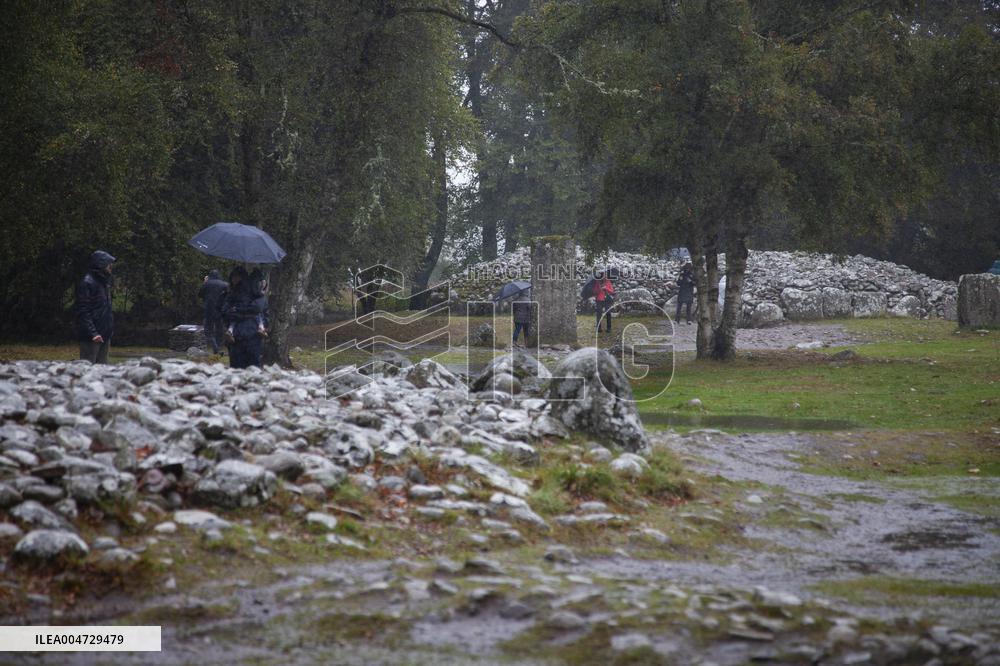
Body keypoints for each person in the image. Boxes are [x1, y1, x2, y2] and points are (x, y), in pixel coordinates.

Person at [221, 267, 267, 369]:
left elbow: (226, 311)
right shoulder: (257, 295)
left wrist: (237, 310)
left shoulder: (235, 294)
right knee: (252, 367)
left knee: (239, 367)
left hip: (243, 335)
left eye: (236, 277)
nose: (234, 280)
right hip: (248, 335)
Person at [75, 250, 116, 364]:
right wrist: (93, 333)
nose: (110, 267)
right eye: (108, 264)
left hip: (104, 334)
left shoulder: (104, 283)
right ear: (101, 264)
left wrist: (108, 331)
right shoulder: (87, 283)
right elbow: (83, 311)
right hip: (91, 336)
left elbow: (106, 309)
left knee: (103, 368)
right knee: (88, 366)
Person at [198, 269, 228, 354]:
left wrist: (205, 282)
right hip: (220, 310)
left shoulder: (207, 284)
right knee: (219, 329)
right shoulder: (224, 284)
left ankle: (215, 347)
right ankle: (218, 347)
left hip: (209, 310)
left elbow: (200, 294)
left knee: (208, 329)